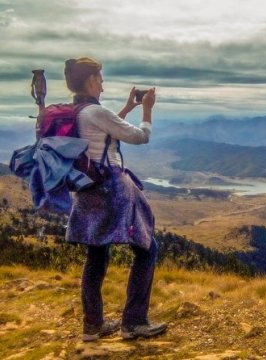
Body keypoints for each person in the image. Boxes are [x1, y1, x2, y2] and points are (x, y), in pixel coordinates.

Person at [63, 57, 167, 341]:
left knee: (96, 252)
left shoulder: (75, 112)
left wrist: (128, 108)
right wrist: (147, 110)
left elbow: (101, 131)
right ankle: (133, 322)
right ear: (92, 80)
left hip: (85, 190)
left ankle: (93, 325)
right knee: (147, 248)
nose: (103, 84)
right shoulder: (96, 112)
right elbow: (140, 137)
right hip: (111, 189)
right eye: (101, 78)